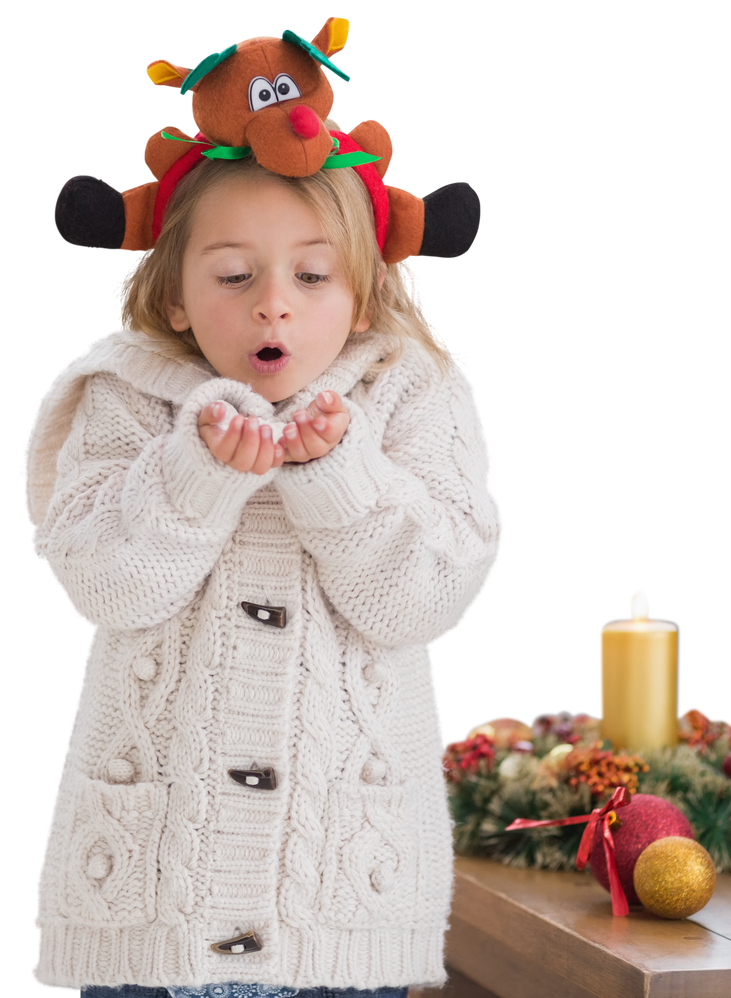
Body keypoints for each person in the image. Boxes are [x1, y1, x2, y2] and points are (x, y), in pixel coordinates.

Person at [21, 24, 504, 998]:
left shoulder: (413, 391)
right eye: (236, 276)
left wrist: (344, 477)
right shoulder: (126, 391)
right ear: (183, 292)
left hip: (342, 900)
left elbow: (431, 596)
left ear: (365, 291)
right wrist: (191, 471)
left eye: (312, 276)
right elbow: (99, 577)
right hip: (155, 897)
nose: (273, 306)